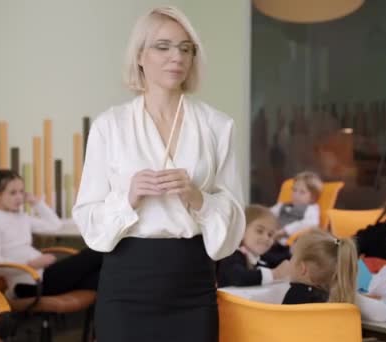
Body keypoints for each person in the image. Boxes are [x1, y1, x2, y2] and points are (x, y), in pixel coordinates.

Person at [72, 6, 245, 342]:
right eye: (162, 46)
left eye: (185, 48)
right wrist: (129, 197)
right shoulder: (110, 126)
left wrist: (198, 198)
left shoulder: (218, 126)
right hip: (126, 285)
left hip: (192, 284)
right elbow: (87, 217)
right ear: (139, 55)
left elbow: (235, 216)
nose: (176, 57)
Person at [0, 169, 102, 298]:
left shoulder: (21, 217)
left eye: (22, 192)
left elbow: (55, 225)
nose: (19, 197)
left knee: (100, 278)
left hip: (44, 273)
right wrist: (30, 264)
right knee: (96, 252)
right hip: (28, 284)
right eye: (13, 193)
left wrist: (36, 203)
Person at [217, 204, 290, 287]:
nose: (266, 238)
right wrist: (274, 274)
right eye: (259, 231)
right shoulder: (232, 255)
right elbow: (239, 278)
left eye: (270, 234)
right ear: (242, 231)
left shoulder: (260, 259)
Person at [263, 171, 322, 266]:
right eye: (294, 190)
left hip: (289, 245)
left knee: (274, 257)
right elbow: (267, 214)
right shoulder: (282, 205)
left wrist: (285, 231)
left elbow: (310, 224)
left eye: (302, 192)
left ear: (313, 197)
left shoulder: (311, 209)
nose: (296, 194)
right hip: (273, 241)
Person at [282, 229, 357, 304]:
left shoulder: (295, 294)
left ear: (302, 268)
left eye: (292, 256)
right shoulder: (336, 300)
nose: (289, 260)